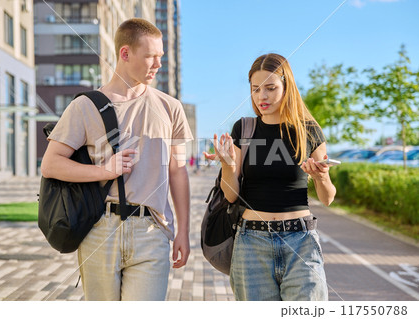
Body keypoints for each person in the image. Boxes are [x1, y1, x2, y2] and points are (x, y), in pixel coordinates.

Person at [41, 18, 193, 301]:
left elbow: (178, 171)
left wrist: (183, 231)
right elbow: (51, 164)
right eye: (150, 56)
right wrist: (105, 170)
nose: (158, 64)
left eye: (161, 57)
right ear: (125, 54)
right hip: (100, 230)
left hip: (152, 231)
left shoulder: (170, 108)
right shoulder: (85, 106)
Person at [204, 53, 336, 301]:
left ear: (287, 87)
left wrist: (322, 177)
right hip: (251, 241)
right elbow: (231, 196)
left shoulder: (309, 130)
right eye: (255, 89)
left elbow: (327, 198)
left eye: (270, 88)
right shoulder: (244, 129)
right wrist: (229, 167)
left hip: (301, 241)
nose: (261, 96)